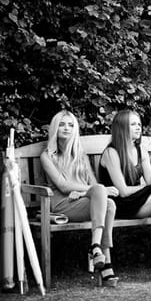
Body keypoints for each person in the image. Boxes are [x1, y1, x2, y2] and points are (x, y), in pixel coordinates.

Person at [98, 110, 151, 283]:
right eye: (133, 124)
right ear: (122, 128)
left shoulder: (140, 150)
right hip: (118, 205)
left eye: (139, 124)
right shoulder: (111, 153)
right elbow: (122, 191)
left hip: (136, 201)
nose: (138, 127)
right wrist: (144, 188)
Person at [40, 111, 119, 287]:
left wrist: (84, 193)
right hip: (61, 204)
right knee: (104, 198)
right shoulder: (47, 156)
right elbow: (63, 186)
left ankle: (96, 248)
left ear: (75, 129)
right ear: (55, 128)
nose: (66, 128)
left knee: (110, 204)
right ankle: (104, 261)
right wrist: (91, 190)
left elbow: (93, 184)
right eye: (62, 124)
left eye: (70, 125)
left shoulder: (80, 156)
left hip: (81, 200)